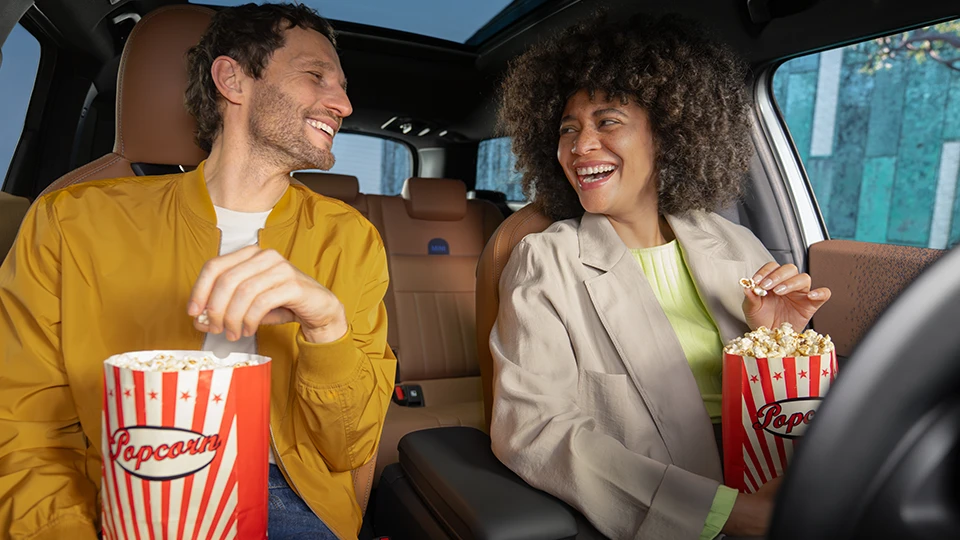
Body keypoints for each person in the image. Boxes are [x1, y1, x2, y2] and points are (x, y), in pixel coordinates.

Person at [0, 4, 395, 539]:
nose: (344, 104)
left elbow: (349, 446)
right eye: (315, 75)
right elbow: (24, 427)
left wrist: (326, 327)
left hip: (282, 494)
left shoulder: (350, 239)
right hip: (120, 485)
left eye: (343, 85)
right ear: (233, 79)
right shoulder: (73, 221)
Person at [490, 14, 832, 540]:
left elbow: (785, 407)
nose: (580, 146)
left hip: (785, 481)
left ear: (668, 132)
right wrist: (729, 515)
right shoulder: (544, 260)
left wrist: (775, 338)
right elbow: (534, 429)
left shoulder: (735, 243)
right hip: (673, 509)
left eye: (607, 122)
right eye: (567, 129)